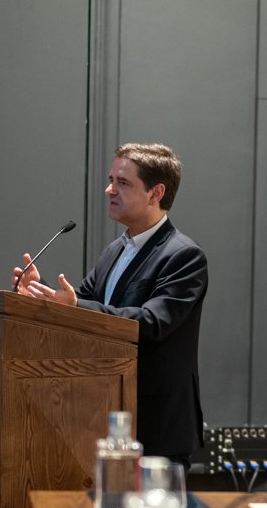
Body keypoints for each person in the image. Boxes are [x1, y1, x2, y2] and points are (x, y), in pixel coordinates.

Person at [12, 143, 206, 465]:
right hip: (104, 415)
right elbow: (84, 304)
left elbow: (152, 322)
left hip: (155, 425)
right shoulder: (115, 250)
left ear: (156, 193)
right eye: (110, 180)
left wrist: (74, 306)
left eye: (123, 183)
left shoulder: (183, 255)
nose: (109, 190)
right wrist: (41, 292)